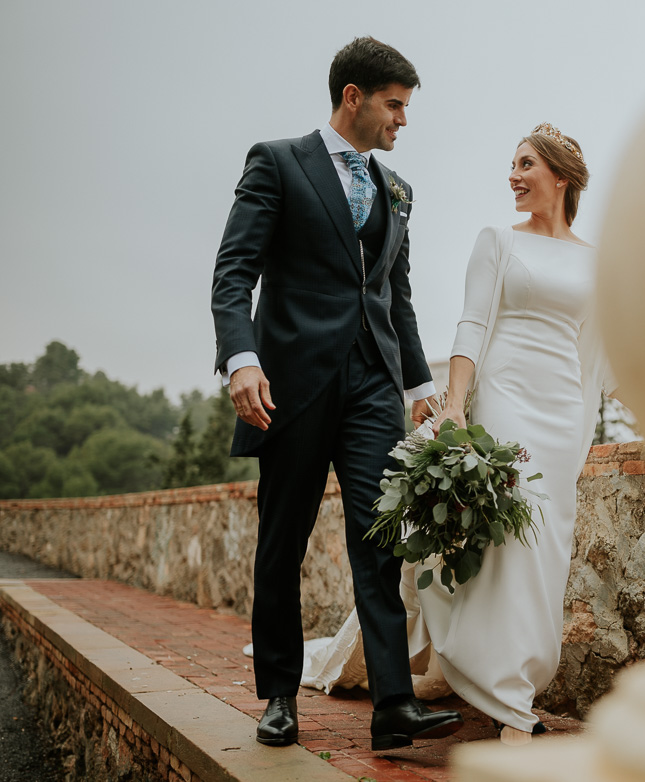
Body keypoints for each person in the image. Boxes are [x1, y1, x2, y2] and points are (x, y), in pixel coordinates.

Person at [301, 122, 612, 746]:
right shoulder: (497, 239)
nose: (513, 176)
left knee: (545, 549)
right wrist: (455, 407)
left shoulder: (595, 262)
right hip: (505, 399)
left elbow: (592, 354)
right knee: (505, 547)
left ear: (562, 177)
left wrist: (579, 434)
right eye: (512, 164)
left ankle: (515, 681)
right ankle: (508, 699)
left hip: (559, 409)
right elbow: (472, 326)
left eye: (526, 164)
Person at [210, 36, 463, 750]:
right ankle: (280, 696)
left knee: (379, 541)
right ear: (352, 97)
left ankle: (392, 705)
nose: (402, 120)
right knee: (281, 542)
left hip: (372, 388)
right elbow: (234, 272)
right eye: (394, 105)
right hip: (287, 385)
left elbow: (395, 297)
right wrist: (241, 359)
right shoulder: (278, 162)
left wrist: (419, 386)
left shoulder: (396, 191)